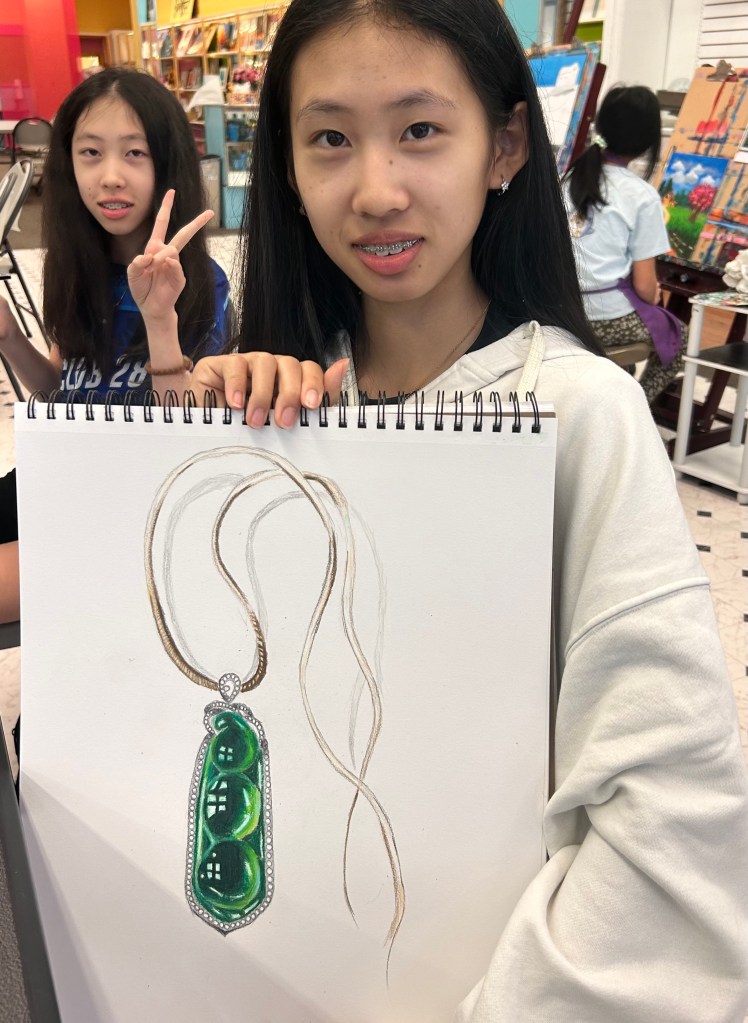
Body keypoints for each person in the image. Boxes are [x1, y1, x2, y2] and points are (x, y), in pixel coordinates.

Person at [144, 0, 748, 1018]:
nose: (377, 190)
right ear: (285, 166)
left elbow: (672, 829)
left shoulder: (576, 417)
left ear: (504, 146)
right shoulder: (285, 404)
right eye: (330, 138)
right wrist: (205, 432)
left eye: (420, 129)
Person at [0, 67, 231, 403]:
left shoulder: (201, 282)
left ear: (169, 163)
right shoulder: (75, 267)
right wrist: (9, 336)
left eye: (135, 152)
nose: (111, 178)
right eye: (91, 152)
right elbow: (62, 394)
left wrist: (160, 321)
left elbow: (193, 420)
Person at [563, 85, 687, 404]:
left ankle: (612, 400)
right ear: (648, 141)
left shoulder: (568, 180)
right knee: (678, 338)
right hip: (605, 321)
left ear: (602, 126)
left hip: (560, 312)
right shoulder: (641, 196)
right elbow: (645, 286)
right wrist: (653, 294)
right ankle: (636, 409)